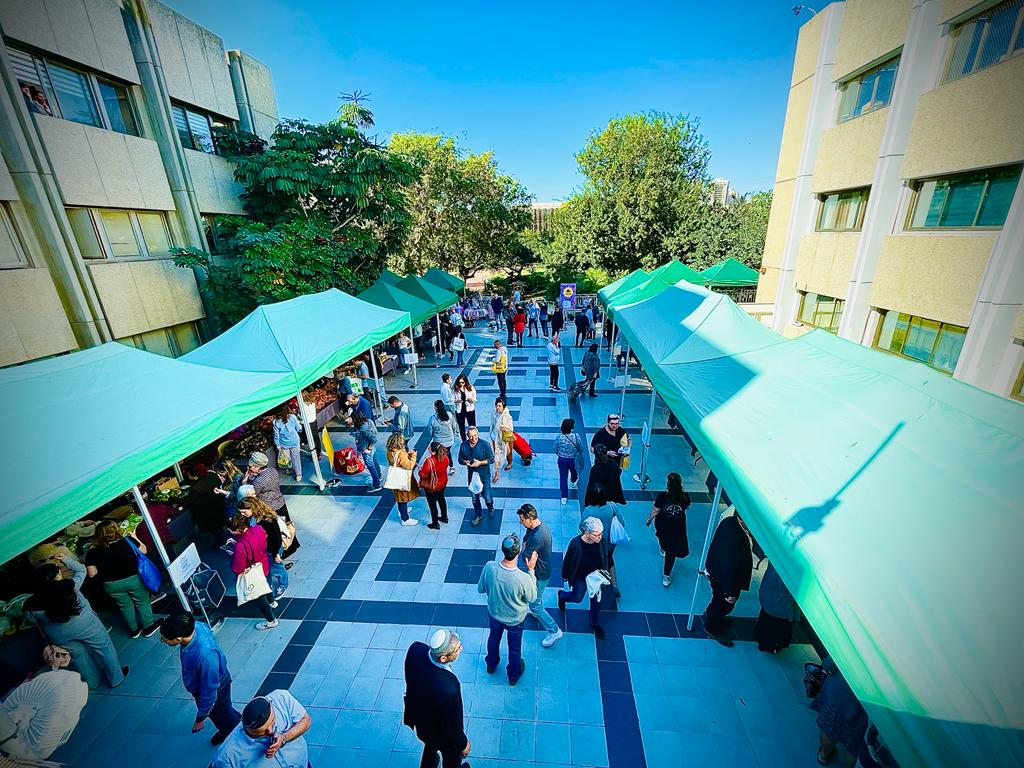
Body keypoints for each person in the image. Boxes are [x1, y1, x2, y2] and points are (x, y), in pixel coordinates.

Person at [25, 556, 128, 688]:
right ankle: (116, 678)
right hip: (86, 625)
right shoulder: (69, 585)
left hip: (59, 634)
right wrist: (65, 559)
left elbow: (31, 620)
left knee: (79, 656)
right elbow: (81, 570)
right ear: (57, 575)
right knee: (104, 647)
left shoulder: (30, 602)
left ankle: (92, 683)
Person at [160, 611, 241, 746]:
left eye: (165, 639)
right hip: (211, 683)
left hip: (216, 688)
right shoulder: (197, 626)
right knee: (221, 712)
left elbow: (209, 691)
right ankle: (229, 727)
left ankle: (235, 734)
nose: (163, 641)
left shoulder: (205, 657)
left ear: (179, 639)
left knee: (222, 714)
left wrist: (201, 716)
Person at [403, 629, 471, 768]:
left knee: (430, 746)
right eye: (457, 649)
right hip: (444, 735)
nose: (461, 649)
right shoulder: (448, 688)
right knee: (452, 759)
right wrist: (463, 744)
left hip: (422, 723)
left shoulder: (416, 649)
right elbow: (453, 726)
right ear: (443, 659)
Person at [477, 533, 537, 686]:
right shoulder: (523, 578)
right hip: (515, 620)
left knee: (493, 638)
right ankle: (513, 676)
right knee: (515, 649)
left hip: (495, 614)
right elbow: (532, 598)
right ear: (517, 553)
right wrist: (531, 571)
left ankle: (491, 664)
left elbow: (481, 589)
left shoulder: (490, 567)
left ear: (503, 550)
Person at [84, 521, 160, 638]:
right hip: (134, 579)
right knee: (142, 602)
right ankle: (149, 626)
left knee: (125, 606)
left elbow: (92, 573)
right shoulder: (127, 541)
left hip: (111, 585)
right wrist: (135, 537)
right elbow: (144, 551)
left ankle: (134, 630)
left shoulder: (92, 552)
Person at [212, 691, 311, 768]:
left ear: (271, 706)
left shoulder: (282, 698)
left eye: (272, 722)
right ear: (247, 729)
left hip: (302, 763)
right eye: (263, 732)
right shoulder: (227, 757)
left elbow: (305, 720)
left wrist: (284, 737)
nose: (271, 731)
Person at [701, 510, 753, 647]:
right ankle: (712, 626)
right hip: (723, 577)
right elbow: (730, 564)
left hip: (716, 571)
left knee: (717, 599)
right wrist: (730, 593)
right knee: (724, 604)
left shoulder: (729, 521)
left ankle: (711, 614)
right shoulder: (735, 537)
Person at [517, 504, 563, 647]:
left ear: (529, 518)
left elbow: (524, 554)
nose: (521, 522)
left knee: (535, 605)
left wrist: (525, 550)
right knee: (537, 598)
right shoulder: (535, 528)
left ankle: (554, 630)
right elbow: (525, 542)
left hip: (540, 574)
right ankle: (538, 613)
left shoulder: (537, 536)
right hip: (542, 571)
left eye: (522, 519)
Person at [558, 517, 612, 639]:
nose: (599, 537)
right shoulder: (575, 543)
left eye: (601, 534)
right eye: (596, 535)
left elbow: (606, 557)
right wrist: (565, 575)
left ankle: (594, 623)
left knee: (596, 602)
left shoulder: (602, 542)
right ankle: (562, 596)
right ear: (587, 533)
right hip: (580, 576)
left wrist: (605, 572)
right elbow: (567, 560)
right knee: (577, 598)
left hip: (596, 577)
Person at [811, 657, 868, 767]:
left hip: (839, 695)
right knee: (855, 748)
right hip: (866, 712)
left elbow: (830, 663)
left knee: (828, 730)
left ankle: (823, 756)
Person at [228, 513, 278, 631]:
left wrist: (233, 554)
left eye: (230, 530)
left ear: (236, 530)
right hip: (264, 563)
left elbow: (238, 568)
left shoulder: (239, 546)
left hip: (253, 572)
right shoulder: (258, 529)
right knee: (266, 584)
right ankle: (272, 602)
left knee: (259, 597)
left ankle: (271, 621)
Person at [645, 472, 690, 587]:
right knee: (672, 552)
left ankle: (663, 549)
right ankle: (666, 576)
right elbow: (687, 506)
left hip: (662, 525)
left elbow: (655, 510)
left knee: (662, 540)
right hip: (677, 528)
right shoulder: (685, 496)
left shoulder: (662, 496)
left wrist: (649, 519)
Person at [238, 498, 288, 599]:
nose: (242, 514)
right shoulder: (254, 517)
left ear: (252, 508)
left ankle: (283, 585)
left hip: (271, 549)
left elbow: (276, 538)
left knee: (277, 568)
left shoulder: (266, 520)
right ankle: (269, 586)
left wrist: (275, 554)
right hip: (263, 549)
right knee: (267, 568)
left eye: (244, 511)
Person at [580, 483, 623, 598]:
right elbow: (621, 523)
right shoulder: (612, 507)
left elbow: (581, 527)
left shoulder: (588, 511)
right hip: (609, 543)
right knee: (610, 560)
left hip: (594, 544)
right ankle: (614, 586)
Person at [753, 562, 799, 653]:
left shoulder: (779, 556)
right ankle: (771, 645)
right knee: (776, 627)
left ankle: (761, 639)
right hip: (781, 603)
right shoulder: (792, 568)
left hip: (770, 596)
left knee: (766, 621)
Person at [239, 452, 291, 523]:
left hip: (270, 508)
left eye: (250, 466)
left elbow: (247, 494)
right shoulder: (272, 470)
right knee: (287, 524)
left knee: (279, 529)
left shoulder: (258, 481)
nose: (248, 468)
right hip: (280, 503)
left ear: (258, 467)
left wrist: (244, 481)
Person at [459, 426, 495, 526]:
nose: (473, 438)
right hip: (472, 477)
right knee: (475, 499)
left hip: (484, 476)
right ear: (467, 436)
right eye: (471, 436)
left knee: (487, 497)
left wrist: (480, 463)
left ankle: (490, 506)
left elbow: (492, 459)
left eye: (475, 436)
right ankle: (478, 514)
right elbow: (460, 459)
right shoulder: (464, 446)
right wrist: (464, 462)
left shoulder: (485, 445)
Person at [186, 461, 230, 537]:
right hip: (220, 506)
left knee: (215, 530)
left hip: (208, 513)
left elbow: (189, 502)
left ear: (195, 476)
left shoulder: (196, 488)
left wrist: (172, 499)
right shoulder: (212, 475)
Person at [386, 432, 421, 526]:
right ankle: (405, 518)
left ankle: (401, 511)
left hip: (395, 476)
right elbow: (409, 466)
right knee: (403, 498)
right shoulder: (401, 454)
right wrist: (413, 455)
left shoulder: (390, 451)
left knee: (399, 496)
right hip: (402, 477)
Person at [419, 442, 451, 530]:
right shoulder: (445, 458)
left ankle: (435, 523)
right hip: (442, 483)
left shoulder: (429, 461)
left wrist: (420, 470)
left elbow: (424, 475)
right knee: (441, 499)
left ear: (433, 451)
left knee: (432, 505)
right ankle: (444, 517)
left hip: (432, 487)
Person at [554, 418, 584, 506]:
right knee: (574, 471)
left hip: (562, 459)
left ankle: (564, 496)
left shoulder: (559, 437)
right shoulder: (576, 436)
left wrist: (560, 454)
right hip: (573, 459)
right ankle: (574, 480)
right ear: (571, 428)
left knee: (563, 477)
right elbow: (580, 448)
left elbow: (555, 448)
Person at [351, 411, 383, 492]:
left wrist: (369, 449)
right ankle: (378, 476)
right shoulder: (368, 421)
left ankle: (376, 485)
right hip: (370, 447)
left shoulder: (363, 429)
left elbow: (374, 439)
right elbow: (374, 433)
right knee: (374, 462)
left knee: (370, 466)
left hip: (367, 449)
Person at [272, 405, 303, 483]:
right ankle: (298, 474)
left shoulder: (275, 421)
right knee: (296, 458)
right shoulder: (292, 417)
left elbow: (276, 435)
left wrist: (277, 445)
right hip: (294, 441)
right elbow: (299, 428)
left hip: (283, 443)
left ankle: (289, 468)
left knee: (287, 458)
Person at [427, 399, 457, 474]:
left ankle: (440, 468)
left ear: (436, 408)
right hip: (449, 440)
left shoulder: (433, 418)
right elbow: (454, 426)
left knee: (438, 455)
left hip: (438, 442)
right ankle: (451, 467)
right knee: (448, 453)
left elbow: (430, 431)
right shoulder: (449, 415)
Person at [489, 397, 514, 480]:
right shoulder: (494, 412)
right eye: (496, 405)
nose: (497, 408)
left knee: (508, 452)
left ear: (503, 407)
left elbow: (510, 429)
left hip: (505, 438)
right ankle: (496, 473)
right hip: (495, 437)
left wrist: (505, 428)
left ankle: (510, 462)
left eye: (499, 406)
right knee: (497, 455)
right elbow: (492, 424)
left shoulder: (507, 415)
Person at [452, 374, 477, 441]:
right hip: (460, 410)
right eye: (459, 382)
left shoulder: (470, 387)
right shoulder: (455, 389)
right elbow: (452, 399)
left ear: (465, 381)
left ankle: (473, 439)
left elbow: (474, 398)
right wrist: (457, 401)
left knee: (472, 426)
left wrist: (471, 400)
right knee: (461, 427)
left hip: (469, 409)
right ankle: (464, 441)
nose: (461, 384)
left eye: (462, 382)